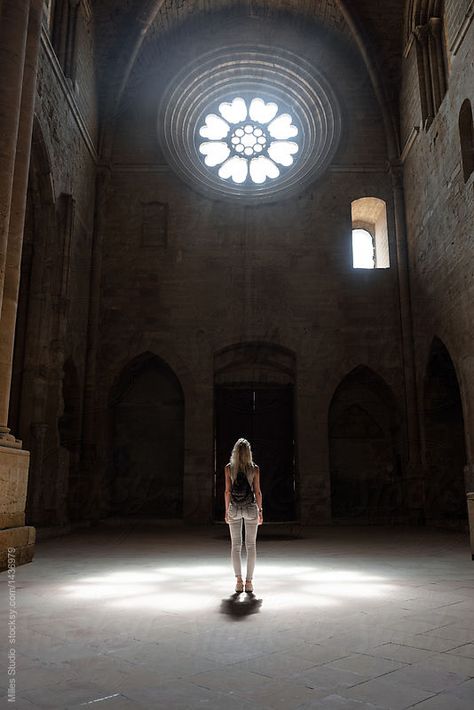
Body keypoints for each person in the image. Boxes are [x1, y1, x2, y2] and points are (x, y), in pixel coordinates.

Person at [224, 438, 263, 593]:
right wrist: (260, 511)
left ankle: (239, 582)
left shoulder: (229, 468)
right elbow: (257, 492)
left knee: (236, 546)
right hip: (250, 508)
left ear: (235, 452)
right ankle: (249, 583)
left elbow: (227, 491)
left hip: (234, 508)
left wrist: (227, 510)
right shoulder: (254, 469)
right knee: (251, 546)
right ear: (248, 453)